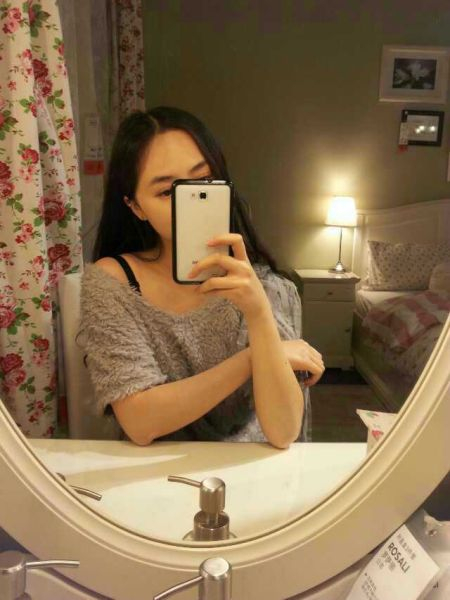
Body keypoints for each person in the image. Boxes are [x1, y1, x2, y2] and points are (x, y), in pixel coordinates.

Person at [79, 106, 324, 448]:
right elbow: (140, 422)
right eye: (168, 192)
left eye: (205, 181)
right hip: (153, 472)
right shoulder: (113, 282)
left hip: (249, 470)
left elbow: (283, 432)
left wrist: (258, 312)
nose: (190, 202)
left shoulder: (263, 285)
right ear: (135, 206)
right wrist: (250, 360)